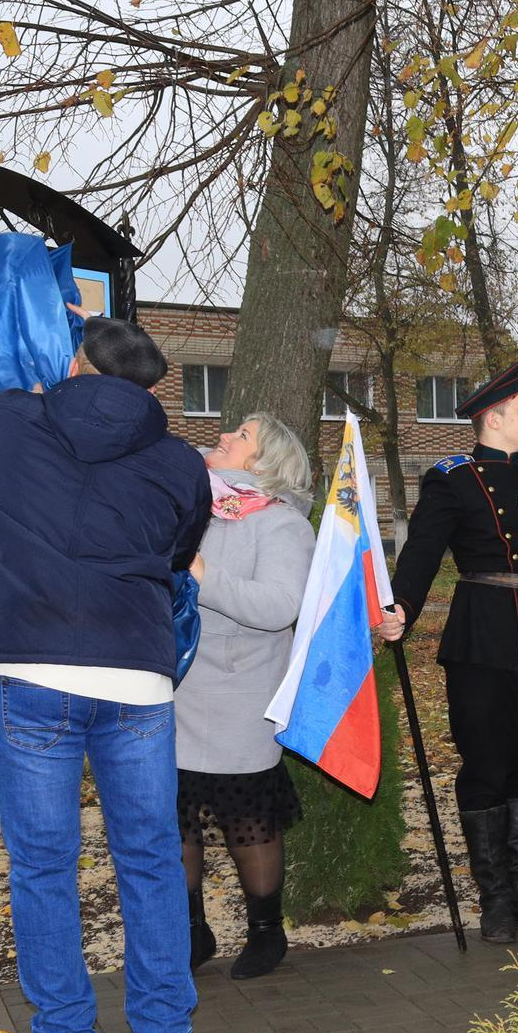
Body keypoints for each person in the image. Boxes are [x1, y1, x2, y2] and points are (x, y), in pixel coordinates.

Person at [0, 317, 211, 1033]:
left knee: (43, 864)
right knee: (151, 856)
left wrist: (27, 400)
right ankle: (164, 1030)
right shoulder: (181, 461)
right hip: (137, 674)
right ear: (151, 388)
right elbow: (177, 553)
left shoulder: (14, 419)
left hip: (32, 671)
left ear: (74, 364)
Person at [377, 365, 518, 945]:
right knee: (486, 765)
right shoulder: (453, 478)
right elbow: (423, 550)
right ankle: (496, 899)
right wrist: (403, 604)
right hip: (483, 637)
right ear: (495, 418)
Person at [175, 412, 318, 979]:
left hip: (239, 694)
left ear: (264, 462)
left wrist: (201, 571)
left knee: (248, 821)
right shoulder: (193, 505)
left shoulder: (282, 524)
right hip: (175, 687)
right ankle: (191, 932)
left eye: (242, 435)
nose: (225, 435)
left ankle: (266, 931)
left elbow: (278, 607)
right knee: (174, 821)